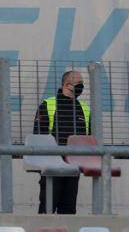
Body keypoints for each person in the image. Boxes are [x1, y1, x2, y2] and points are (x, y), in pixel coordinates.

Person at [32, 70, 90, 214]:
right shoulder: (48, 105)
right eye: (79, 83)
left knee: (69, 209)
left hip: (74, 165)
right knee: (48, 206)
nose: (82, 87)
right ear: (67, 84)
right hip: (51, 164)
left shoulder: (85, 109)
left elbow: (89, 136)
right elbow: (39, 135)